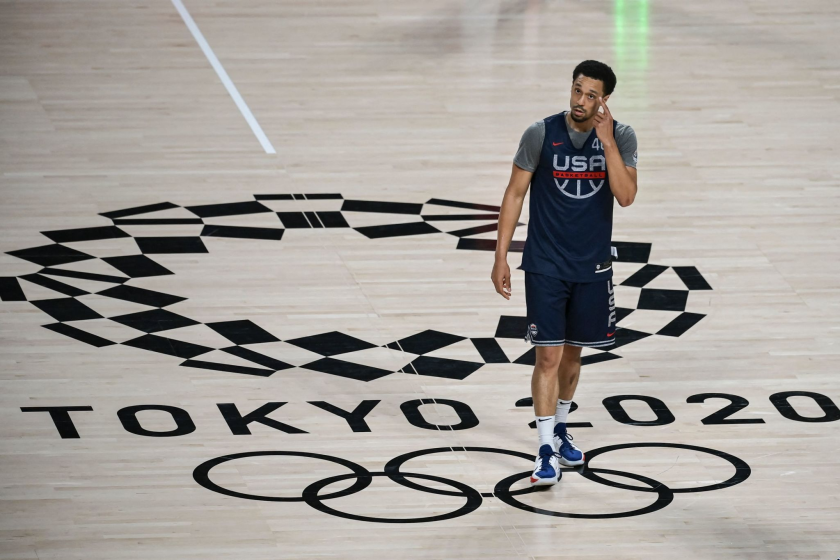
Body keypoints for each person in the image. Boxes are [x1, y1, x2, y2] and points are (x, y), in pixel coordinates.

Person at [490, 60, 638, 486]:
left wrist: (607, 143)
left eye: (591, 95)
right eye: (577, 90)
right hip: (545, 264)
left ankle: (559, 429)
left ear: (604, 100)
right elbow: (515, 193)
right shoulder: (541, 133)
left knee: (574, 356)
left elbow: (625, 197)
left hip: (592, 266)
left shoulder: (622, 137)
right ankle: (543, 451)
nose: (580, 100)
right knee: (548, 355)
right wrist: (501, 256)